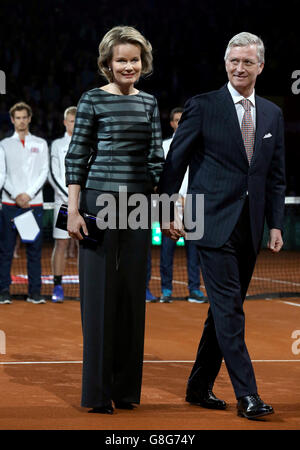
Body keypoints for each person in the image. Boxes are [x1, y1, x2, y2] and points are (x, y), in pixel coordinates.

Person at [158, 32, 285, 419]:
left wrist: (275, 224)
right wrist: (165, 213)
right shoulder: (202, 106)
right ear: (225, 63)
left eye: (247, 62)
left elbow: (275, 175)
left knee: (223, 310)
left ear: (260, 66)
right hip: (209, 223)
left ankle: (198, 386)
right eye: (234, 61)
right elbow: (174, 165)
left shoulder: (272, 113)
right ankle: (248, 395)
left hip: (250, 229)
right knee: (230, 311)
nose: (239, 68)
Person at [65, 26, 164, 414]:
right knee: (97, 299)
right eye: (121, 60)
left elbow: (156, 161)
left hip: (138, 205)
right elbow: (77, 157)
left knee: (130, 297)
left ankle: (125, 391)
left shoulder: (150, 103)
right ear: (108, 63)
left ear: (143, 63)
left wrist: (165, 209)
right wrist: (73, 210)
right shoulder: (91, 100)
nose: (128, 66)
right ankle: (96, 393)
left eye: (134, 60)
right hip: (97, 202)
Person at [0, 102, 49, 305]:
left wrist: (27, 195)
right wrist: (16, 195)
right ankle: (3, 291)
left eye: (24, 117)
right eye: (17, 117)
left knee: (34, 251)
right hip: (10, 205)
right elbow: (1, 174)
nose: (21, 121)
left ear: (29, 119)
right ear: (12, 120)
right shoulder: (4, 144)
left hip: (32, 205)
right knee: (5, 250)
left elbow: (43, 172)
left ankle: (34, 293)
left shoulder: (41, 143)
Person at [160, 107, 205, 304]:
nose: (180, 123)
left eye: (182, 119)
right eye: (176, 120)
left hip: (194, 203)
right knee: (166, 250)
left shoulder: (199, 145)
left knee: (194, 251)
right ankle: (166, 290)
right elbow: (163, 177)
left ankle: (194, 289)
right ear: (171, 123)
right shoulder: (163, 145)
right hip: (171, 205)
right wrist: (175, 201)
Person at [48, 106, 77, 303]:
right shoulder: (57, 145)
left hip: (85, 203)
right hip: (64, 202)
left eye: (78, 121)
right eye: (71, 121)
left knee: (87, 244)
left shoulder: (91, 143)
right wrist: (70, 196)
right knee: (61, 243)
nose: (74, 125)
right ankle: (57, 286)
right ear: (65, 122)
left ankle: (89, 286)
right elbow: (54, 174)